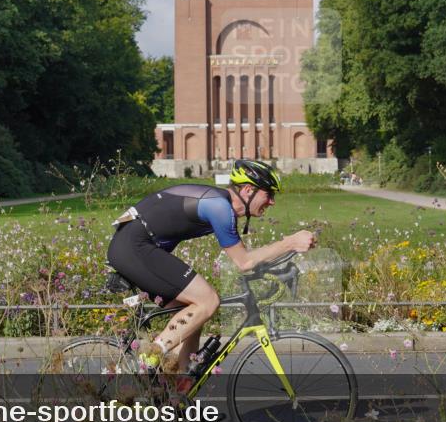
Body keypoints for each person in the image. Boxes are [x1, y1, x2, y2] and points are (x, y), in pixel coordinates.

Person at [107, 159, 316, 376]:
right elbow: (244, 262)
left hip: (135, 246)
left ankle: (178, 387)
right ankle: (148, 359)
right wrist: (289, 243)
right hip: (134, 247)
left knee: (193, 316)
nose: (272, 202)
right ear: (248, 190)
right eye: (269, 194)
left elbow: (248, 259)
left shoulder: (220, 203)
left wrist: (281, 258)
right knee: (208, 300)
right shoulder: (219, 207)